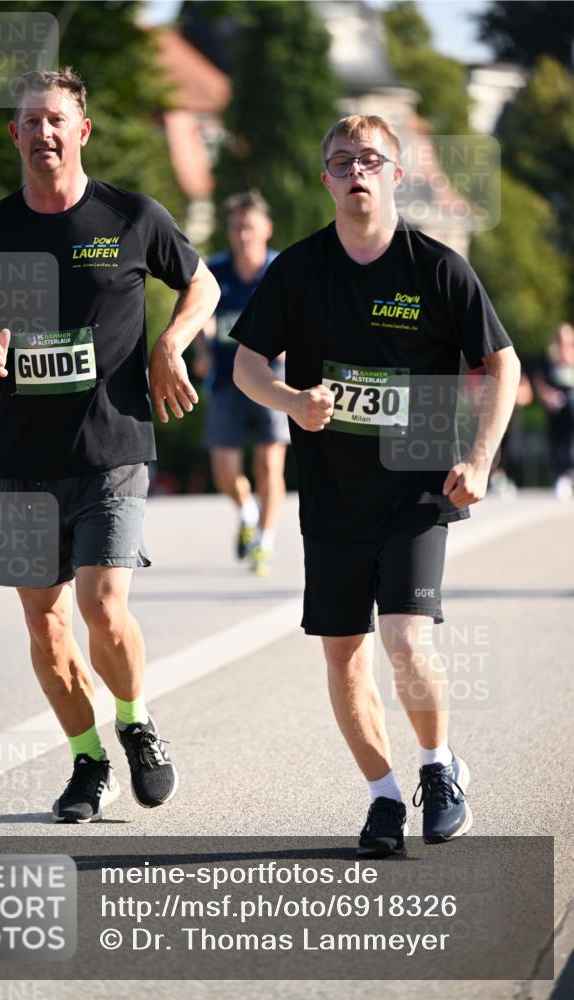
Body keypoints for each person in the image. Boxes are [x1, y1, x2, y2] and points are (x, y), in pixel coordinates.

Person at [232, 115, 521, 856]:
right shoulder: (296, 269)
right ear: (325, 179)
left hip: (416, 488)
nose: (354, 171)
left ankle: (437, 768)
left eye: (369, 160)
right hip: (330, 494)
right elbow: (247, 366)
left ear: (395, 174)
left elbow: (501, 363)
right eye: (339, 162)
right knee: (342, 653)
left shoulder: (436, 267)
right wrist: (292, 401)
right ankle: (382, 797)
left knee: (403, 638)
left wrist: (481, 459)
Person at [0, 68, 219, 823]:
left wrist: (170, 345)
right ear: (15, 136)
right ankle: (87, 762)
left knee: (100, 601)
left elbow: (202, 287)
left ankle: (134, 719)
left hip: (112, 448)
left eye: (56, 119)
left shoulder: (131, 217)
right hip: (25, 461)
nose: (43, 133)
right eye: (29, 122)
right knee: (46, 625)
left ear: (81, 131)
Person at [193, 191, 289, 576]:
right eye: (236, 228)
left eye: (249, 227)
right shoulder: (215, 269)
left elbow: (306, 317)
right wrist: (201, 347)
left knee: (269, 465)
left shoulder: (281, 269)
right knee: (225, 472)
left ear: (266, 229)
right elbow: (201, 314)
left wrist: (291, 347)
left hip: (272, 377)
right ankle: (247, 511)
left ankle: (264, 543)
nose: (243, 235)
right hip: (227, 379)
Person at [534, 322, 574, 501]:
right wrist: (548, 396)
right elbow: (540, 382)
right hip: (556, 407)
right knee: (557, 441)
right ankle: (561, 476)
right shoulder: (549, 359)